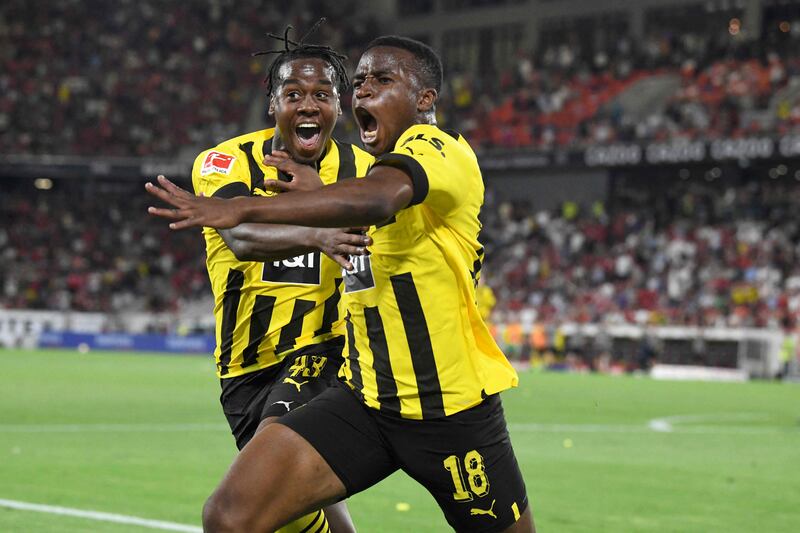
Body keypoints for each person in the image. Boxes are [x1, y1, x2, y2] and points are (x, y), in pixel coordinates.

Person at [148, 36, 535, 533]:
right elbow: (344, 213)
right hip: (364, 398)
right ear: (273, 102)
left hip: (446, 405)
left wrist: (241, 206)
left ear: (425, 98)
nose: (364, 93)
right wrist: (314, 205)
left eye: (382, 80)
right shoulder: (241, 161)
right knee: (231, 516)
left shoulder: (440, 150)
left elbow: (375, 200)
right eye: (360, 84)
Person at [188, 23, 373, 533]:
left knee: (244, 507)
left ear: (340, 105)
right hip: (243, 369)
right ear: (273, 104)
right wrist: (320, 233)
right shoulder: (224, 162)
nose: (308, 105)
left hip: (324, 350)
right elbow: (241, 238)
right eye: (293, 94)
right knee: (295, 508)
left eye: (323, 94)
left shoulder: (362, 169)